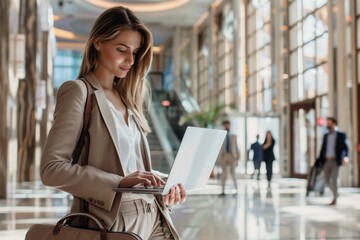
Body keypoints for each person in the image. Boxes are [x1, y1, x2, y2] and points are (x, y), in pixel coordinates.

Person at [40, 6, 186, 240]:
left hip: (155, 216)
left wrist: (161, 183)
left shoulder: (129, 98)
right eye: (121, 50)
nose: (130, 60)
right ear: (98, 43)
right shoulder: (78, 91)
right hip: (114, 221)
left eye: (135, 52)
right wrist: (119, 182)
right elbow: (51, 170)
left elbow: (130, 165)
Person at [316, 117, 349, 205]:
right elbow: (323, 149)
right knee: (326, 179)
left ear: (334, 124)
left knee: (334, 179)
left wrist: (346, 157)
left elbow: (346, 148)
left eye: (329, 123)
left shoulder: (341, 135)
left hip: (335, 161)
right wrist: (319, 160)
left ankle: (335, 198)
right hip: (327, 160)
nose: (328, 125)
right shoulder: (326, 136)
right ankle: (336, 193)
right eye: (327, 123)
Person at [219, 120, 240, 196]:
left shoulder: (233, 136)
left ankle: (236, 190)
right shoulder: (221, 136)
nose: (226, 126)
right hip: (224, 156)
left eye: (228, 125)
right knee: (223, 174)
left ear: (230, 126)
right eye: (225, 125)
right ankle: (223, 191)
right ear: (223, 126)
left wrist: (237, 158)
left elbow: (237, 147)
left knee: (233, 173)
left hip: (232, 156)